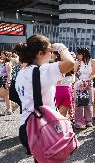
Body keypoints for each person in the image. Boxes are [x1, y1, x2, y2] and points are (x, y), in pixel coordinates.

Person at [14, 34, 75, 162]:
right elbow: (70, 63)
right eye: (50, 50)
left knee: (41, 159)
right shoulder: (43, 71)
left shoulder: (21, 72)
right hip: (42, 125)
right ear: (41, 53)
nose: (52, 54)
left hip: (26, 126)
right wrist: (61, 48)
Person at [74, 47, 95, 129]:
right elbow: (75, 74)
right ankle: (79, 122)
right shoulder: (77, 62)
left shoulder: (92, 61)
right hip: (79, 84)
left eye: (79, 54)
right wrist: (80, 82)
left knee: (88, 103)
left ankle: (88, 120)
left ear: (83, 54)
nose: (78, 56)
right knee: (78, 103)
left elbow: (94, 74)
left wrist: (88, 80)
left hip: (89, 83)